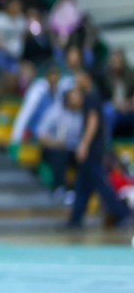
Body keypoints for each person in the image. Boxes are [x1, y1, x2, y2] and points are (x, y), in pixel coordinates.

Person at [67, 71, 132, 228]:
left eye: (78, 78)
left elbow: (93, 121)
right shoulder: (91, 96)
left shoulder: (91, 97)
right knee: (82, 185)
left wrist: (84, 144)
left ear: (86, 78)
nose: (76, 82)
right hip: (94, 148)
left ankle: (124, 214)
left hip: (92, 149)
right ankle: (75, 220)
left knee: (101, 184)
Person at [37, 86, 85, 201]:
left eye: (78, 99)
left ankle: (75, 190)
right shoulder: (55, 111)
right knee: (59, 154)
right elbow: (41, 133)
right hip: (55, 148)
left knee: (85, 157)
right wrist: (55, 142)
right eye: (73, 98)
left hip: (75, 149)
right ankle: (59, 188)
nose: (75, 102)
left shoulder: (83, 114)